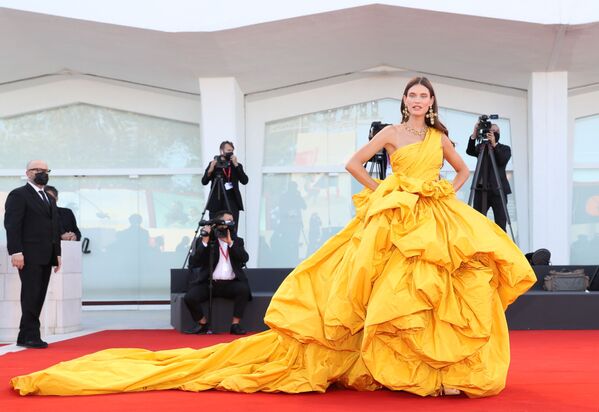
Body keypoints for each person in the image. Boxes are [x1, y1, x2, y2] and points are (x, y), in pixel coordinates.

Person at [10, 78, 535, 397]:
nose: (417, 101)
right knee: (385, 289)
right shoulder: (390, 135)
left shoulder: (441, 137)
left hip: (431, 215)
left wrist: (436, 187)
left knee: (436, 290)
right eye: (411, 95)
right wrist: (385, 187)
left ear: (431, 102)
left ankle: (433, 368)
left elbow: (463, 172)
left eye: (424, 96)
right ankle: (389, 364)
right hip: (392, 215)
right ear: (404, 102)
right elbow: (352, 164)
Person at [4, 160, 62, 349]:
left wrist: (57, 254)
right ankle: (31, 336)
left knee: (38, 295)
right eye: (37, 170)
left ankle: (24, 335)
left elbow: (54, 228)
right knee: (31, 294)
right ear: (28, 173)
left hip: (46, 255)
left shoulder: (49, 198)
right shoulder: (19, 195)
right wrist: (16, 251)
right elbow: (12, 225)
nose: (42, 173)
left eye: (45, 170)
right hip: (28, 255)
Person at [183, 210, 250, 335]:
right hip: (209, 283)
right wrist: (205, 241)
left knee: (243, 290)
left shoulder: (237, 241)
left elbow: (244, 258)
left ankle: (235, 325)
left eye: (232, 220)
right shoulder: (208, 240)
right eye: (228, 220)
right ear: (219, 224)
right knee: (190, 297)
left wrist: (231, 243)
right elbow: (195, 261)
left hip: (231, 283)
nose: (231, 222)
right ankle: (202, 323)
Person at [466, 123, 512, 231]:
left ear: (498, 134)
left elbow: (502, 160)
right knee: (478, 222)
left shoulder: (505, 149)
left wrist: (494, 144)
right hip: (481, 190)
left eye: (495, 131)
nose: (492, 132)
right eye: (490, 130)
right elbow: (470, 150)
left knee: (501, 223)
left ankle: (501, 247)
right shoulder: (481, 148)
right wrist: (474, 134)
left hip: (498, 190)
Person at [202, 141, 249, 227]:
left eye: (232, 150)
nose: (230, 152)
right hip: (216, 201)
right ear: (221, 151)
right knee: (214, 228)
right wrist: (210, 169)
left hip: (232, 201)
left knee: (232, 228)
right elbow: (204, 181)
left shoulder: (236, 165)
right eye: (228, 150)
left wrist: (236, 165)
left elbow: (245, 181)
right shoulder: (214, 164)